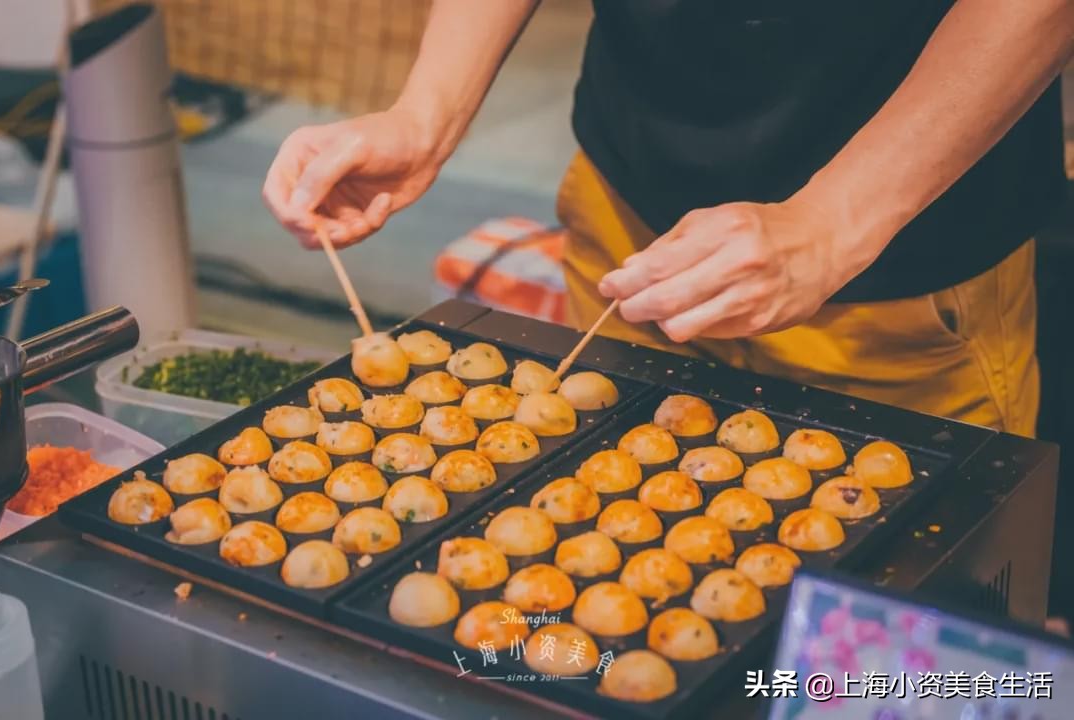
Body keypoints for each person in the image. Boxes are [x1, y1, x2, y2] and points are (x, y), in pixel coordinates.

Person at [263, 0, 1073, 438]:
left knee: (874, 657)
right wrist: (426, 111)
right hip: (630, 216)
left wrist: (834, 221)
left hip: (891, 264)